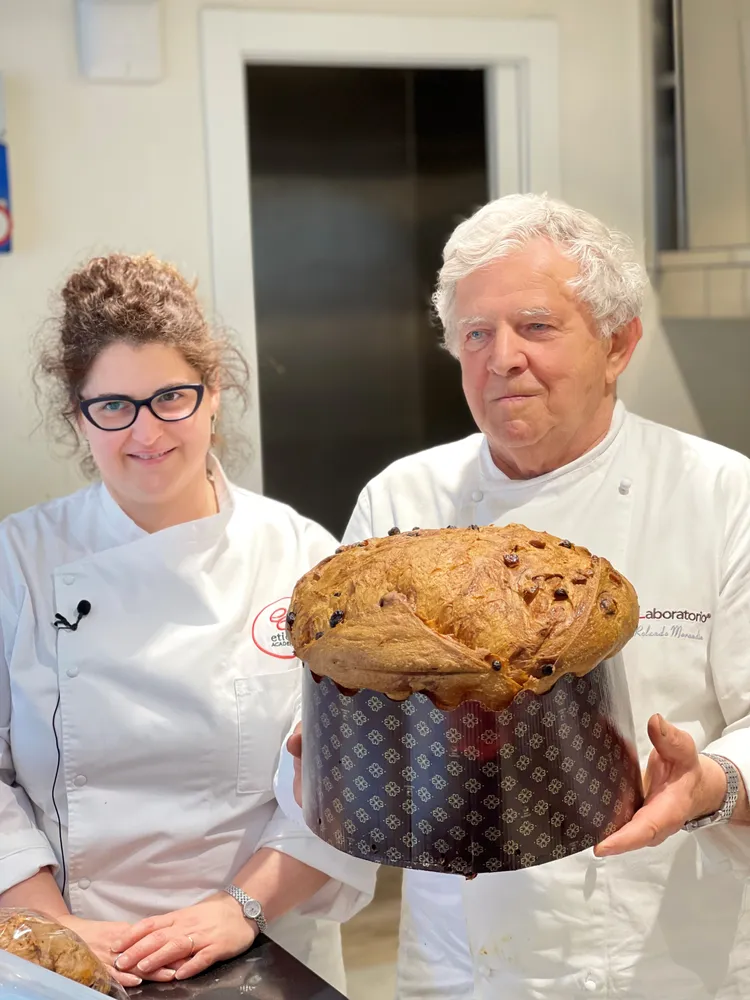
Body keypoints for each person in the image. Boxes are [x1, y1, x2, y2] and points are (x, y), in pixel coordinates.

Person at [285, 193, 750, 999]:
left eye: (536, 326)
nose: (501, 357)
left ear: (618, 344)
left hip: (664, 956)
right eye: (476, 333)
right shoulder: (403, 498)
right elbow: (347, 677)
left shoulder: (722, 496)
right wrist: (322, 751)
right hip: (461, 962)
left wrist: (714, 785)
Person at [0, 253, 375, 992]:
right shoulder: (19, 558)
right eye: (113, 406)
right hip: (66, 956)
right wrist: (56, 929)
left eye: (172, 396)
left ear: (213, 394)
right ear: (77, 413)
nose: (147, 433)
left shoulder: (302, 557)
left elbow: (353, 777)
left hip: (268, 941)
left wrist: (240, 907)